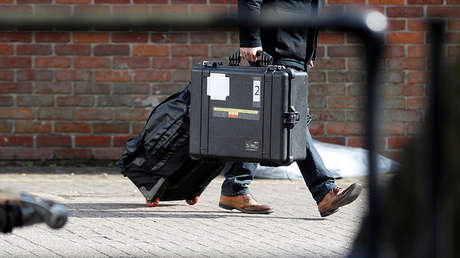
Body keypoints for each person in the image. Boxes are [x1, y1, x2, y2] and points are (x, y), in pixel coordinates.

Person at [218, 0, 363, 217]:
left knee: (266, 120)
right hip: (272, 50)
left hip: (294, 52)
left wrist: (308, 52)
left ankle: (234, 188)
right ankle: (324, 191)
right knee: (293, 121)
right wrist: (250, 40)